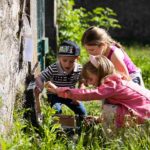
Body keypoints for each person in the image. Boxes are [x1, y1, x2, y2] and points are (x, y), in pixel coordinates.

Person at [46, 56, 150, 127]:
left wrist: (59, 90)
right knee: (109, 108)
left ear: (101, 74)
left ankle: (114, 136)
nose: (90, 84)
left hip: (145, 115)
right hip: (144, 111)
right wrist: (99, 119)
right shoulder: (116, 81)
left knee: (108, 109)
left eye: (90, 79)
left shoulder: (112, 85)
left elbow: (90, 94)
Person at [34, 40, 87, 120]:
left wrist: (78, 95)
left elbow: (82, 82)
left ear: (77, 58)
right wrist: (40, 86)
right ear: (59, 58)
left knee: (82, 112)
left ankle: (79, 128)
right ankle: (59, 128)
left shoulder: (79, 69)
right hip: (55, 95)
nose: (67, 64)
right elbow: (40, 77)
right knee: (56, 111)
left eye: (71, 61)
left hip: (70, 94)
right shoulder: (54, 68)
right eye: (64, 60)